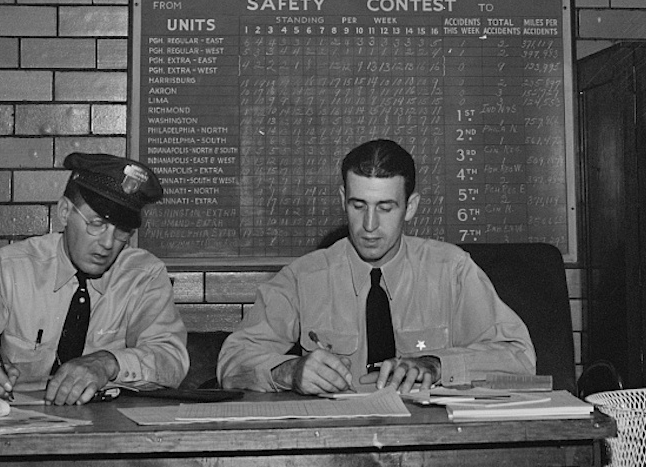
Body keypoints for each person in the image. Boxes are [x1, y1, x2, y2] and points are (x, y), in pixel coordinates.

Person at [217, 139, 535, 395]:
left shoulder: (451, 271)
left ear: (410, 207)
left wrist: (437, 364)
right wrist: (289, 372)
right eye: (358, 206)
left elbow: (519, 359)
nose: (369, 226)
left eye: (385, 208)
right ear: (343, 200)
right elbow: (232, 360)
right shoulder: (304, 277)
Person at [0, 152, 188, 406]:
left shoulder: (144, 275)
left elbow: (171, 360)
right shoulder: (10, 268)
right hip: (18, 431)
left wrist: (108, 363)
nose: (108, 243)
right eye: (96, 224)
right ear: (64, 212)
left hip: (107, 433)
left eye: (122, 232)